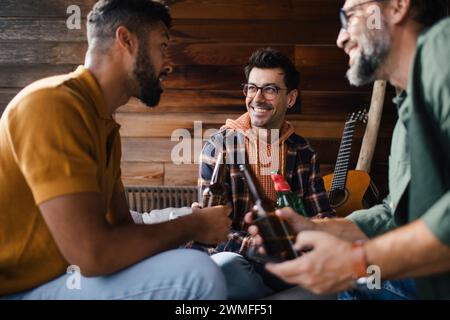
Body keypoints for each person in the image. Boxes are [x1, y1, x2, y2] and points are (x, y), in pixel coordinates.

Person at [0, 0, 232, 300]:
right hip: (16, 291)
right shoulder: (52, 104)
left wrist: (195, 223)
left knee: (226, 271)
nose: (168, 64)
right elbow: (93, 254)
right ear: (126, 40)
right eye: (162, 46)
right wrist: (193, 225)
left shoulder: (104, 125)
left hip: (57, 280)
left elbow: (121, 229)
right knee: (198, 274)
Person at [247, 0, 450, 299]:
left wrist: (357, 261)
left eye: (351, 15)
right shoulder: (404, 120)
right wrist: (316, 229)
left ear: (396, 7)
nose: (340, 38)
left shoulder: (440, 47)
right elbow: (395, 214)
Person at [196, 48, 334, 299]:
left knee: (343, 284)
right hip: (241, 258)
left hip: (293, 260)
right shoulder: (218, 147)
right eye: (252, 88)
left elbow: (320, 216)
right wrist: (261, 247)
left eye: (270, 89)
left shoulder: (303, 151)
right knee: (225, 266)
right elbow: (211, 230)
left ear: (290, 98)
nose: (257, 98)